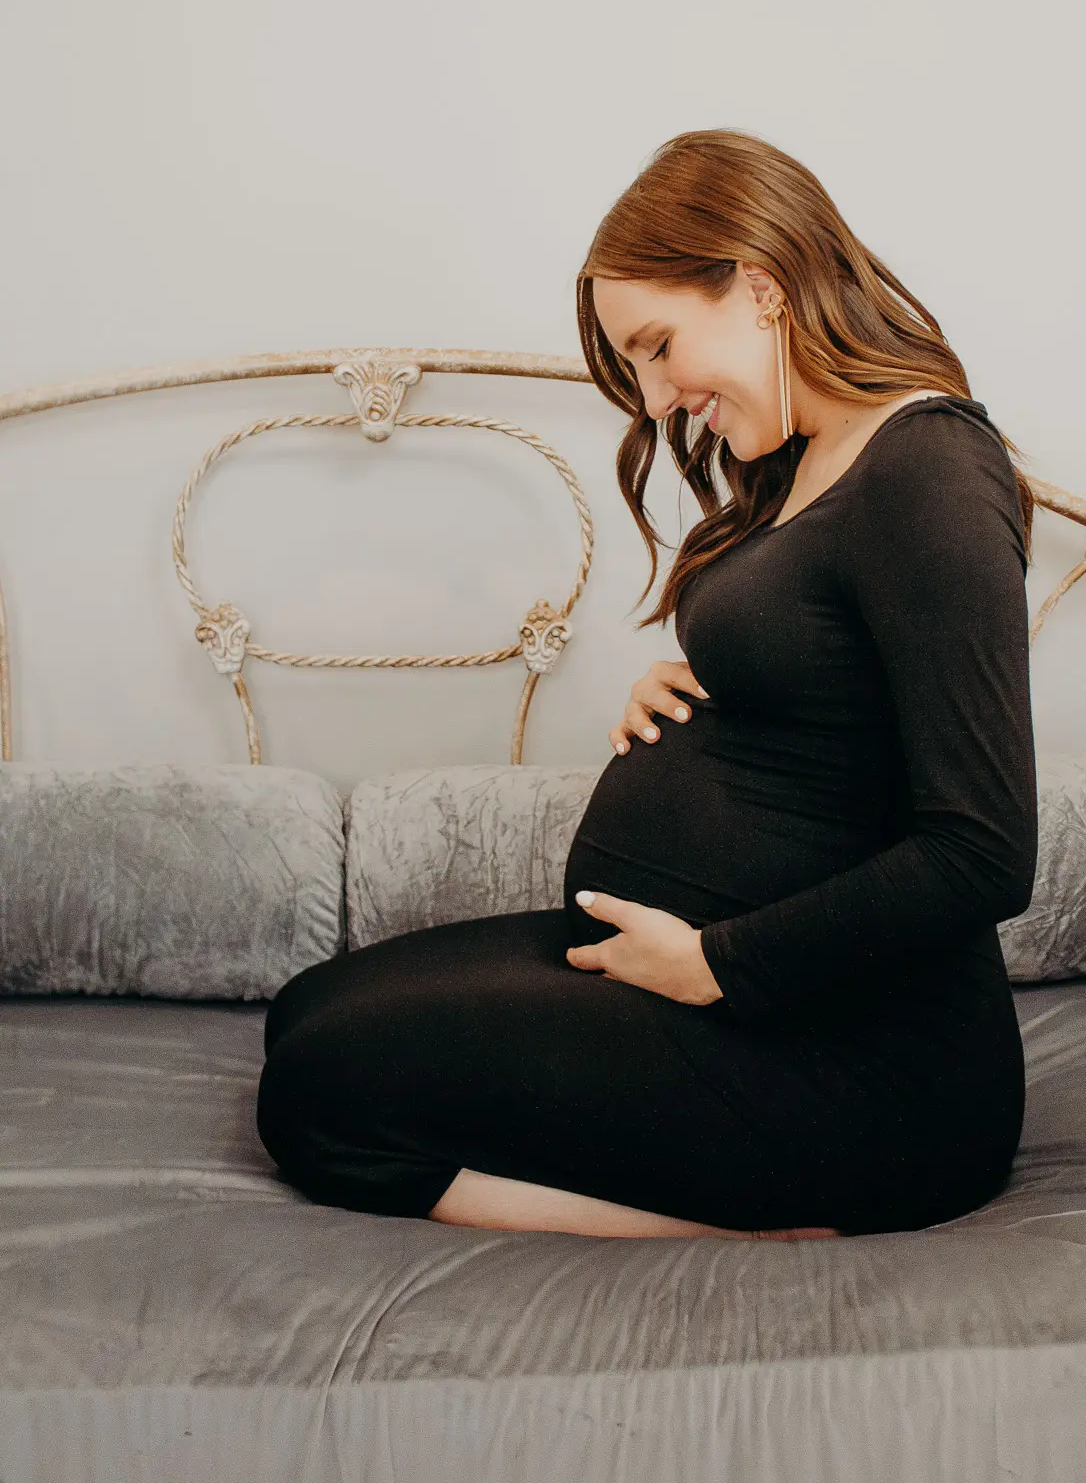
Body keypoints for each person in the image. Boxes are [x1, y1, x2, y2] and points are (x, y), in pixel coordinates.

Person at [256, 128, 1039, 1240]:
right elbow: (838, 691)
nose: (661, 398)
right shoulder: (802, 461)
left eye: (661, 347)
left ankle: (745, 1231)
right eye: (638, 367)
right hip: (734, 989)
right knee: (304, 1013)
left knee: (317, 1097)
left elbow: (983, 852)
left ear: (760, 287)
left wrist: (718, 964)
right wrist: (708, 683)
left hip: (862, 1064)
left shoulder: (928, 471)